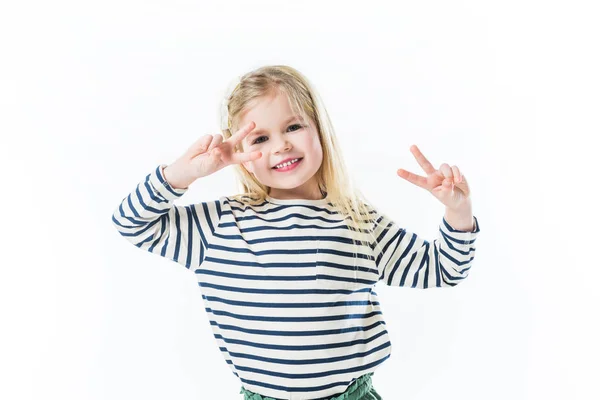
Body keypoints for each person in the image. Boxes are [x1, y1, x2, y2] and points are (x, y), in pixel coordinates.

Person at [111, 65, 481, 400]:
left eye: (293, 127)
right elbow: (130, 222)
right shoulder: (219, 224)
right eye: (260, 139)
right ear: (240, 153)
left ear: (319, 130)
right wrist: (182, 174)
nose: (281, 145)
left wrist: (457, 210)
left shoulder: (358, 221)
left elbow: (443, 269)